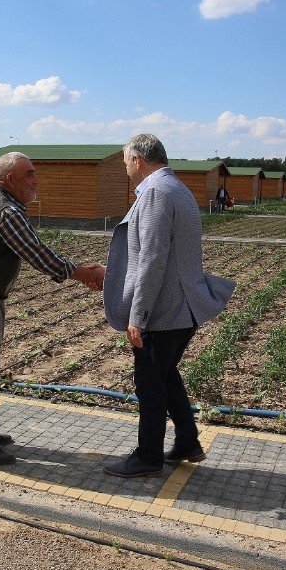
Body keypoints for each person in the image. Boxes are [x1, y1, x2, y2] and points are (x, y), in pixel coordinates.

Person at [0, 152, 105, 466]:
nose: (35, 180)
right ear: (11, 180)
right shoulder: (5, 211)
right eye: (29, 174)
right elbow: (40, 256)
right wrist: (86, 274)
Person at [102, 134, 235, 478]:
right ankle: (188, 441)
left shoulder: (156, 192)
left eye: (125, 162)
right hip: (185, 307)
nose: (125, 168)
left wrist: (138, 315)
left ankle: (148, 456)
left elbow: (152, 259)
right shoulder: (177, 187)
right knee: (165, 375)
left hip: (164, 310)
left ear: (138, 161)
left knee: (149, 382)